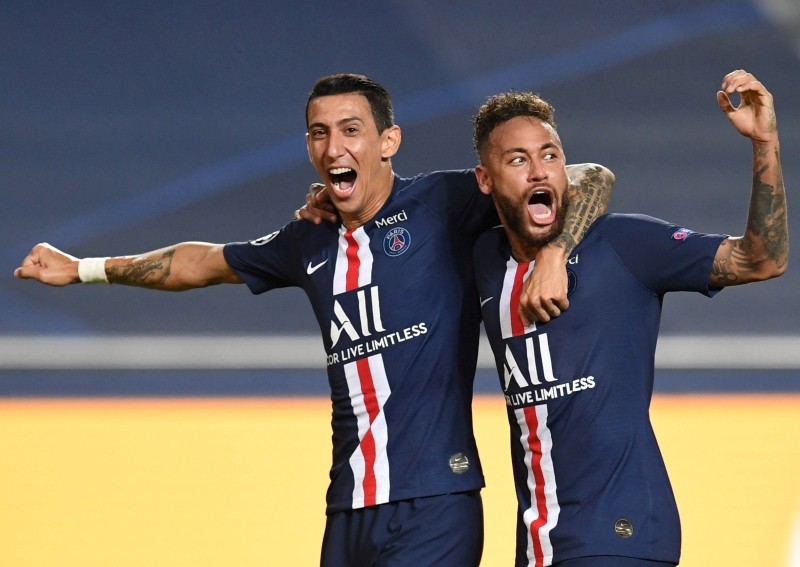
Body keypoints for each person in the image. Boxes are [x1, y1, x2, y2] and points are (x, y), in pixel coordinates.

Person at [14, 73, 614, 566]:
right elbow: (202, 263)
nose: (334, 148)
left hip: (436, 502)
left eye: (351, 130)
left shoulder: (444, 204)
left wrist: (555, 252)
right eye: (319, 134)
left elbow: (588, 176)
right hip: (348, 507)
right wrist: (84, 267)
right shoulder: (310, 237)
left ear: (389, 141)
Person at [471, 69, 787, 567]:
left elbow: (762, 259)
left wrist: (765, 141)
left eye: (550, 155)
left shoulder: (624, 245)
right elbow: (591, 176)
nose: (538, 171)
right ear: (485, 180)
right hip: (538, 545)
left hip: (622, 535)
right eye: (518, 160)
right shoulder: (484, 261)